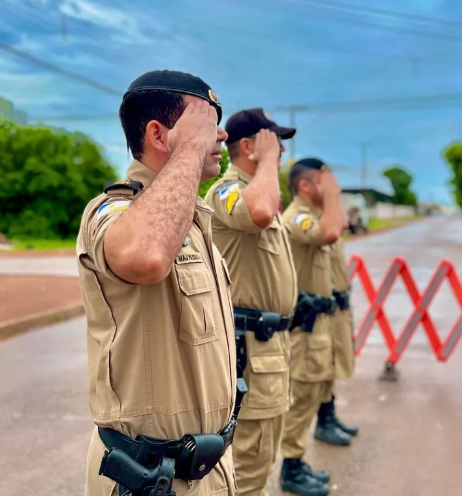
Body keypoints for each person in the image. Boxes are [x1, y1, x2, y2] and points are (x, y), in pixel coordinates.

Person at [76, 70, 241, 496]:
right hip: (149, 477)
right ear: (158, 133)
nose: (220, 136)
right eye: (205, 123)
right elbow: (144, 256)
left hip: (209, 467)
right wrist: (188, 147)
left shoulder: (196, 220)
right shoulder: (113, 212)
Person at [202, 108, 299, 496]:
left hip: (271, 348)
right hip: (251, 351)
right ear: (248, 145)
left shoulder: (258, 190)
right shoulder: (228, 190)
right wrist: (270, 161)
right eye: (273, 142)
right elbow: (258, 211)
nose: (281, 151)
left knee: (260, 460)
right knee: (246, 468)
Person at [279, 158, 345, 496]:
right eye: (324, 182)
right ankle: (290, 468)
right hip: (305, 328)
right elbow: (330, 232)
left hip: (320, 323)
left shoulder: (314, 213)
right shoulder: (297, 217)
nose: (333, 188)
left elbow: (338, 227)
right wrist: (333, 195)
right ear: (306, 186)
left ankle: (297, 461)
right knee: (301, 398)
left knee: (314, 391)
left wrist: (330, 195)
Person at [314, 235, 359, 445]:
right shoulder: (303, 220)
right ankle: (322, 425)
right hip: (320, 311)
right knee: (316, 376)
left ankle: (328, 417)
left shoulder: (325, 220)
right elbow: (331, 231)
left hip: (335, 308)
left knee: (332, 367)